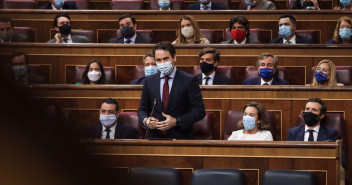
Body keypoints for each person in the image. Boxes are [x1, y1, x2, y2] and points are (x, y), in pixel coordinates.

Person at [138, 41, 206, 139]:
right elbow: (142, 109)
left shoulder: (189, 80)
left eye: (165, 59)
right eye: (158, 60)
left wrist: (176, 121)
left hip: (181, 137)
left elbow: (199, 111)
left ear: (174, 57)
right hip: (155, 137)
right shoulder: (149, 80)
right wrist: (146, 121)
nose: (162, 63)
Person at [287, 97, 347, 168]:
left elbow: (342, 161)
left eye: (314, 110)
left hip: (322, 170)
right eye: (307, 109)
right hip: (299, 171)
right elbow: (287, 159)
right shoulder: (293, 132)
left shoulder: (331, 133)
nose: (309, 112)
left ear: (321, 115)